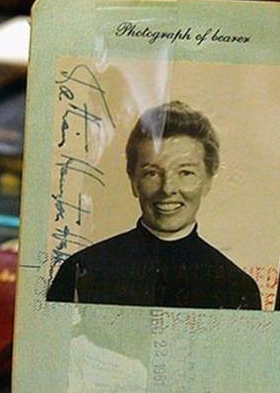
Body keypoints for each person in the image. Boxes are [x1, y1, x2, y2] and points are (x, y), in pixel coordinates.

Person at [47, 101, 262, 310]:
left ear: (208, 181)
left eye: (185, 172)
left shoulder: (237, 288)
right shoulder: (81, 271)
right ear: (133, 181)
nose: (167, 188)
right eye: (152, 173)